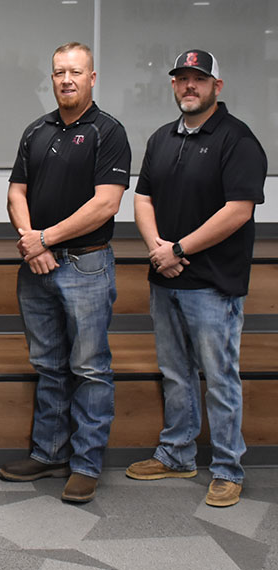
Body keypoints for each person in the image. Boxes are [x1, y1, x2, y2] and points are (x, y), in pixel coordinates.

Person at [125, 50, 267, 508]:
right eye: (182, 78)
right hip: (165, 280)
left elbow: (238, 210)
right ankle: (177, 454)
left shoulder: (237, 139)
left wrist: (179, 249)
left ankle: (227, 468)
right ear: (173, 85)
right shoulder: (161, 138)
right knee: (175, 373)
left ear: (216, 87)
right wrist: (157, 249)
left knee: (220, 379)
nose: (190, 86)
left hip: (212, 286)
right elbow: (142, 199)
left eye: (199, 79)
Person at [0, 42, 131, 503]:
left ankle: (86, 464)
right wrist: (31, 239)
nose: (67, 80)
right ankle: (49, 453)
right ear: (52, 78)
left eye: (75, 72)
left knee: (89, 368)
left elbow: (106, 204)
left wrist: (45, 239)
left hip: (86, 265)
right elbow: (15, 193)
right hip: (37, 267)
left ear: (92, 78)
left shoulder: (108, 131)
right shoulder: (36, 130)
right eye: (59, 73)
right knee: (48, 365)